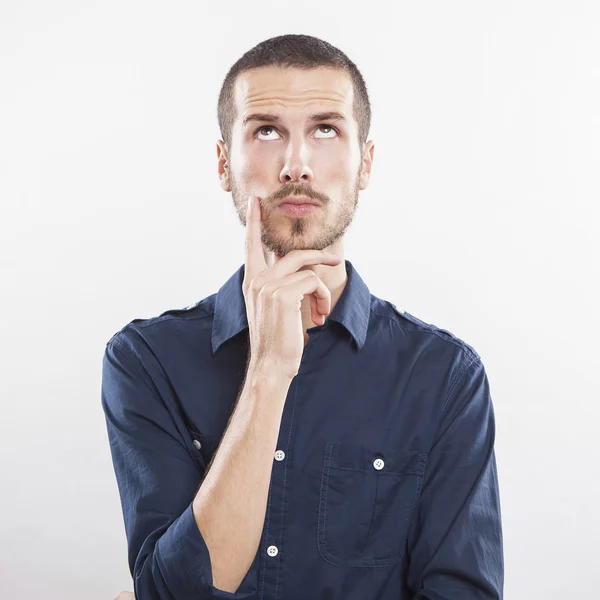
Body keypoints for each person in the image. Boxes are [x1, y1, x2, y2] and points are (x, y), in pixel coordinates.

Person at [102, 33, 504, 600]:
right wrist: (268, 369)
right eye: (266, 131)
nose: (296, 164)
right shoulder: (146, 361)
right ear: (224, 164)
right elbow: (179, 593)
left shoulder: (444, 377)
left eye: (326, 129)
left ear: (365, 163)